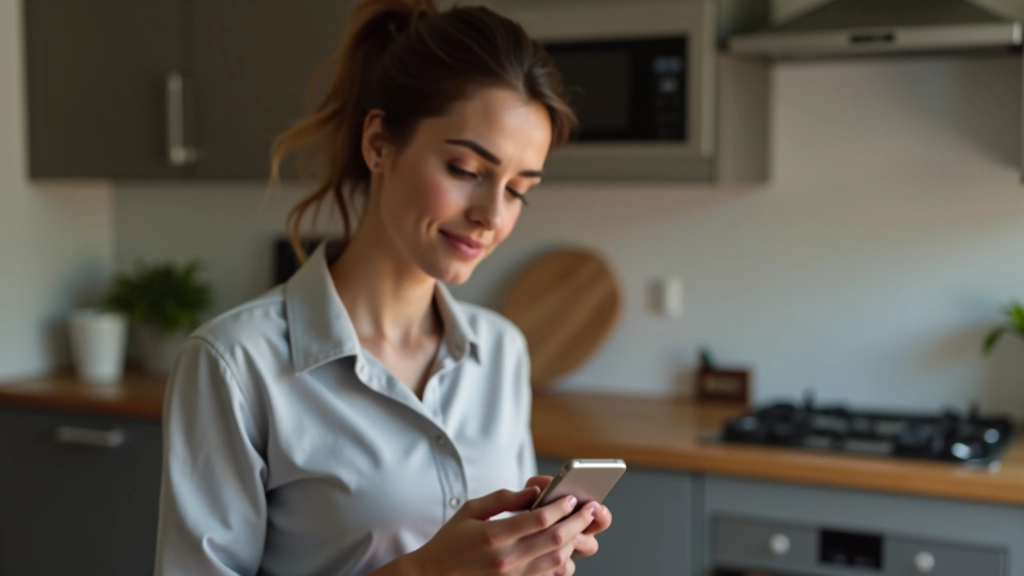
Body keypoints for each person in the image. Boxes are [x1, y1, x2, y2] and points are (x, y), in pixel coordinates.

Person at [153, 0, 614, 574]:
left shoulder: (501, 351)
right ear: (378, 144)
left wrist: (535, 554)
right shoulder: (233, 364)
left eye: (518, 189)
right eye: (467, 171)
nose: (492, 215)